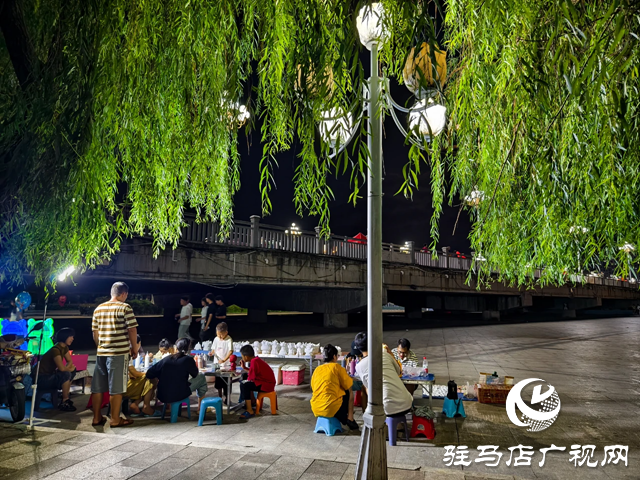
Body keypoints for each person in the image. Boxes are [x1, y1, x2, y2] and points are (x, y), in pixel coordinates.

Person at [91, 281, 139, 428]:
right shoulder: (125, 308)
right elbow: (132, 330)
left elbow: (95, 333)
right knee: (116, 388)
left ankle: (96, 417)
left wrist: (101, 346)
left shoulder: (99, 309)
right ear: (124, 294)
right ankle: (115, 419)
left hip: (101, 353)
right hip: (118, 353)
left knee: (98, 387)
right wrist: (134, 348)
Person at [354, 332, 413, 418]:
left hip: (387, 409)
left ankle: (368, 418)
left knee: (366, 387)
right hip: (407, 403)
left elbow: (368, 388)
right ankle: (397, 426)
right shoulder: (385, 355)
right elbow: (398, 372)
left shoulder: (359, 366)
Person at [146, 337, 208, 414]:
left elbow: (149, 373)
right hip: (179, 394)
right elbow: (195, 374)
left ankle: (170, 406)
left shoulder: (166, 359)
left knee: (175, 382)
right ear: (188, 349)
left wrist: (159, 379)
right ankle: (201, 408)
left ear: (176, 347)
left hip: (162, 395)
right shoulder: (188, 360)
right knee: (201, 377)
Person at [310, 344, 359, 431]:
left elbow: (314, 387)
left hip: (315, 407)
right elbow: (348, 384)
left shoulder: (317, 369)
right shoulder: (337, 367)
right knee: (349, 391)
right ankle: (350, 418)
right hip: (331, 408)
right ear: (334, 356)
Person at [36, 327, 77, 411]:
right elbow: (62, 369)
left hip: (50, 375)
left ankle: (65, 396)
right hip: (42, 378)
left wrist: (69, 368)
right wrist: (68, 369)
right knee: (66, 374)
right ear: (64, 336)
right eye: (71, 336)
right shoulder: (55, 350)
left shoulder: (64, 348)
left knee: (71, 372)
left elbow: (69, 361)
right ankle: (64, 400)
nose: (72, 339)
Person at [238, 345, 276, 419]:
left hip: (267, 385)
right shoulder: (255, 360)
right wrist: (244, 368)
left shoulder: (254, 361)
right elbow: (253, 372)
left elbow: (251, 377)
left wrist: (244, 381)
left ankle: (249, 410)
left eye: (242, 356)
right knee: (245, 379)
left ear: (246, 356)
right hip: (265, 382)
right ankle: (251, 402)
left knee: (244, 385)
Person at [127, 335, 156, 416]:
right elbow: (135, 373)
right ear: (138, 344)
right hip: (124, 388)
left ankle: (136, 403)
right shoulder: (127, 354)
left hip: (116, 387)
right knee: (150, 379)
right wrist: (147, 373)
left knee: (146, 384)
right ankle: (146, 407)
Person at [210, 322, 233, 400]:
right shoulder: (216, 339)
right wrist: (211, 353)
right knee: (218, 381)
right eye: (218, 334)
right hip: (217, 364)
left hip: (226, 364)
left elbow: (231, 351)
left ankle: (227, 398)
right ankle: (219, 397)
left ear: (226, 332)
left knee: (227, 383)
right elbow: (213, 349)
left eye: (221, 335)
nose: (219, 336)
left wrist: (224, 360)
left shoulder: (229, 339)